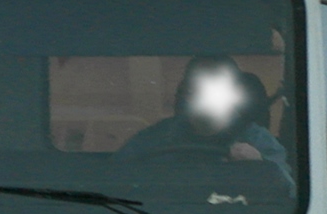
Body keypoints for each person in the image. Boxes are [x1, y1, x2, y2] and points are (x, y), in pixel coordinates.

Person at [115, 55, 293, 189]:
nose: (205, 93)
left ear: (234, 94)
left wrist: (259, 166)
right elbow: (115, 180)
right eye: (197, 85)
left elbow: (288, 193)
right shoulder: (155, 138)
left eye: (216, 86)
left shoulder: (258, 140)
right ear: (185, 91)